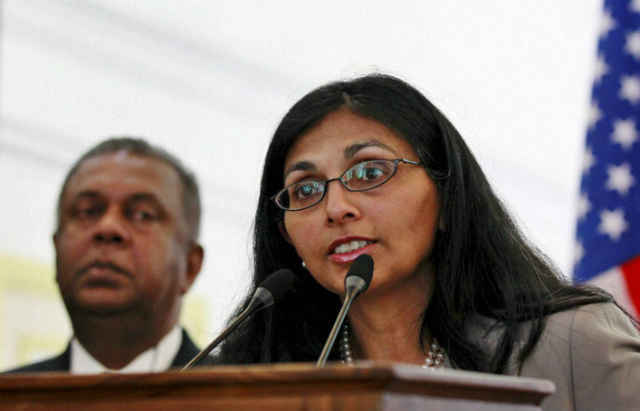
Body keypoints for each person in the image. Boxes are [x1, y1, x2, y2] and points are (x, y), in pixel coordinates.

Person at [216, 74, 640, 410]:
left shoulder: (574, 345)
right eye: (306, 190)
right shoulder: (253, 380)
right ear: (285, 233)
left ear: (446, 199)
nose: (336, 208)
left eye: (370, 172)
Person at [7, 137, 211, 373]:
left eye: (142, 215)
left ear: (190, 266)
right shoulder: (11, 391)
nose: (107, 228)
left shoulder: (240, 391)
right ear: (56, 250)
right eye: (87, 212)